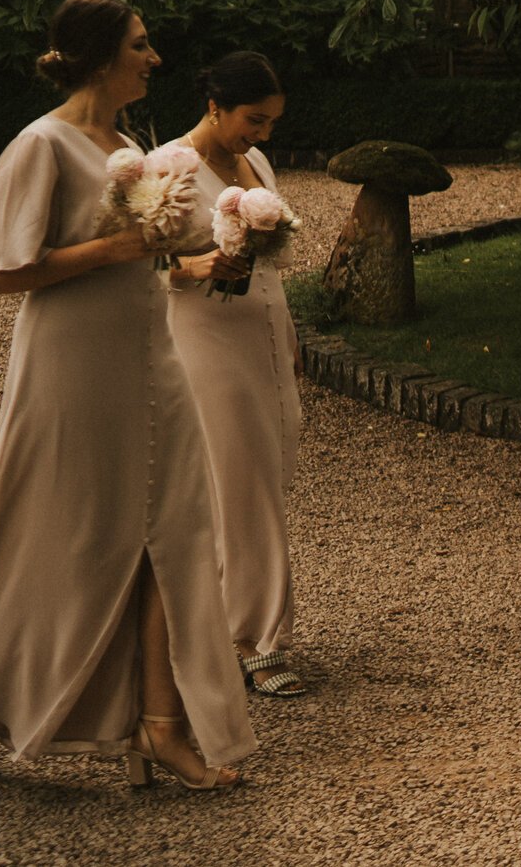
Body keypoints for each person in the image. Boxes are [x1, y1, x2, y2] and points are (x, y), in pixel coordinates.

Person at [0, 0, 251, 789]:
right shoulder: (39, 144)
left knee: (175, 533)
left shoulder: (131, 144)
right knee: (44, 529)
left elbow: (147, 255)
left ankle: (161, 726)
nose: (154, 59)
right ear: (100, 55)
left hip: (152, 355)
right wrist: (117, 245)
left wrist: (198, 248)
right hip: (71, 361)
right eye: (141, 46)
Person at [165, 51, 307, 699]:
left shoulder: (258, 164)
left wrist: (289, 334)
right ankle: (253, 637)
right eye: (255, 119)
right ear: (215, 104)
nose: (264, 133)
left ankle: (223, 620)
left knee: (264, 473)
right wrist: (196, 267)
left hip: (264, 334)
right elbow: (133, 262)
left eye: (273, 122)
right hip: (205, 339)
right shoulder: (168, 166)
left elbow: (270, 265)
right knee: (237, 479)